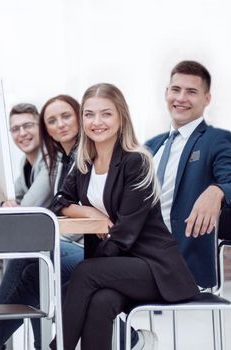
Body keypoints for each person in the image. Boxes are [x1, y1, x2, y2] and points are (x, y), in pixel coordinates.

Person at [47, 83, 198, 350]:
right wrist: (88, 211)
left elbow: (124, 236)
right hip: (117, 268)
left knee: (84, 272)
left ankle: (59, 347)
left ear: (121, 117)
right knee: (101, 302)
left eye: (106, 114)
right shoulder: (85, 163)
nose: (97, 122)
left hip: (154, 268)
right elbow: (59, 202)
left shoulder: (135, 162)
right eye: (89, 115)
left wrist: (97, 269)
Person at [0, 97, 84, 350]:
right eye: (15, 128)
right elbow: (12, 201)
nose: (22, 133)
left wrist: (0, 206)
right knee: (17, 261)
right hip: (63, 241)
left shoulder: (54, 159)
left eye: (29, 125)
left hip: (77, 243)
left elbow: (24, 209)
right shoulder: (32, 163)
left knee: (29, 254)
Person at [146, 60, 231, 288]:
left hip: (179, 261)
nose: (181, 98)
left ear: (206, 99)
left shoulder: (215, 140)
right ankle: (127, 326)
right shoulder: (151, 146)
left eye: (191, 92)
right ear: (166, 93)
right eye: (176, 90)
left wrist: (217, 190)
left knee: (89, 276)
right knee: (74, 269)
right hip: (140, 251)